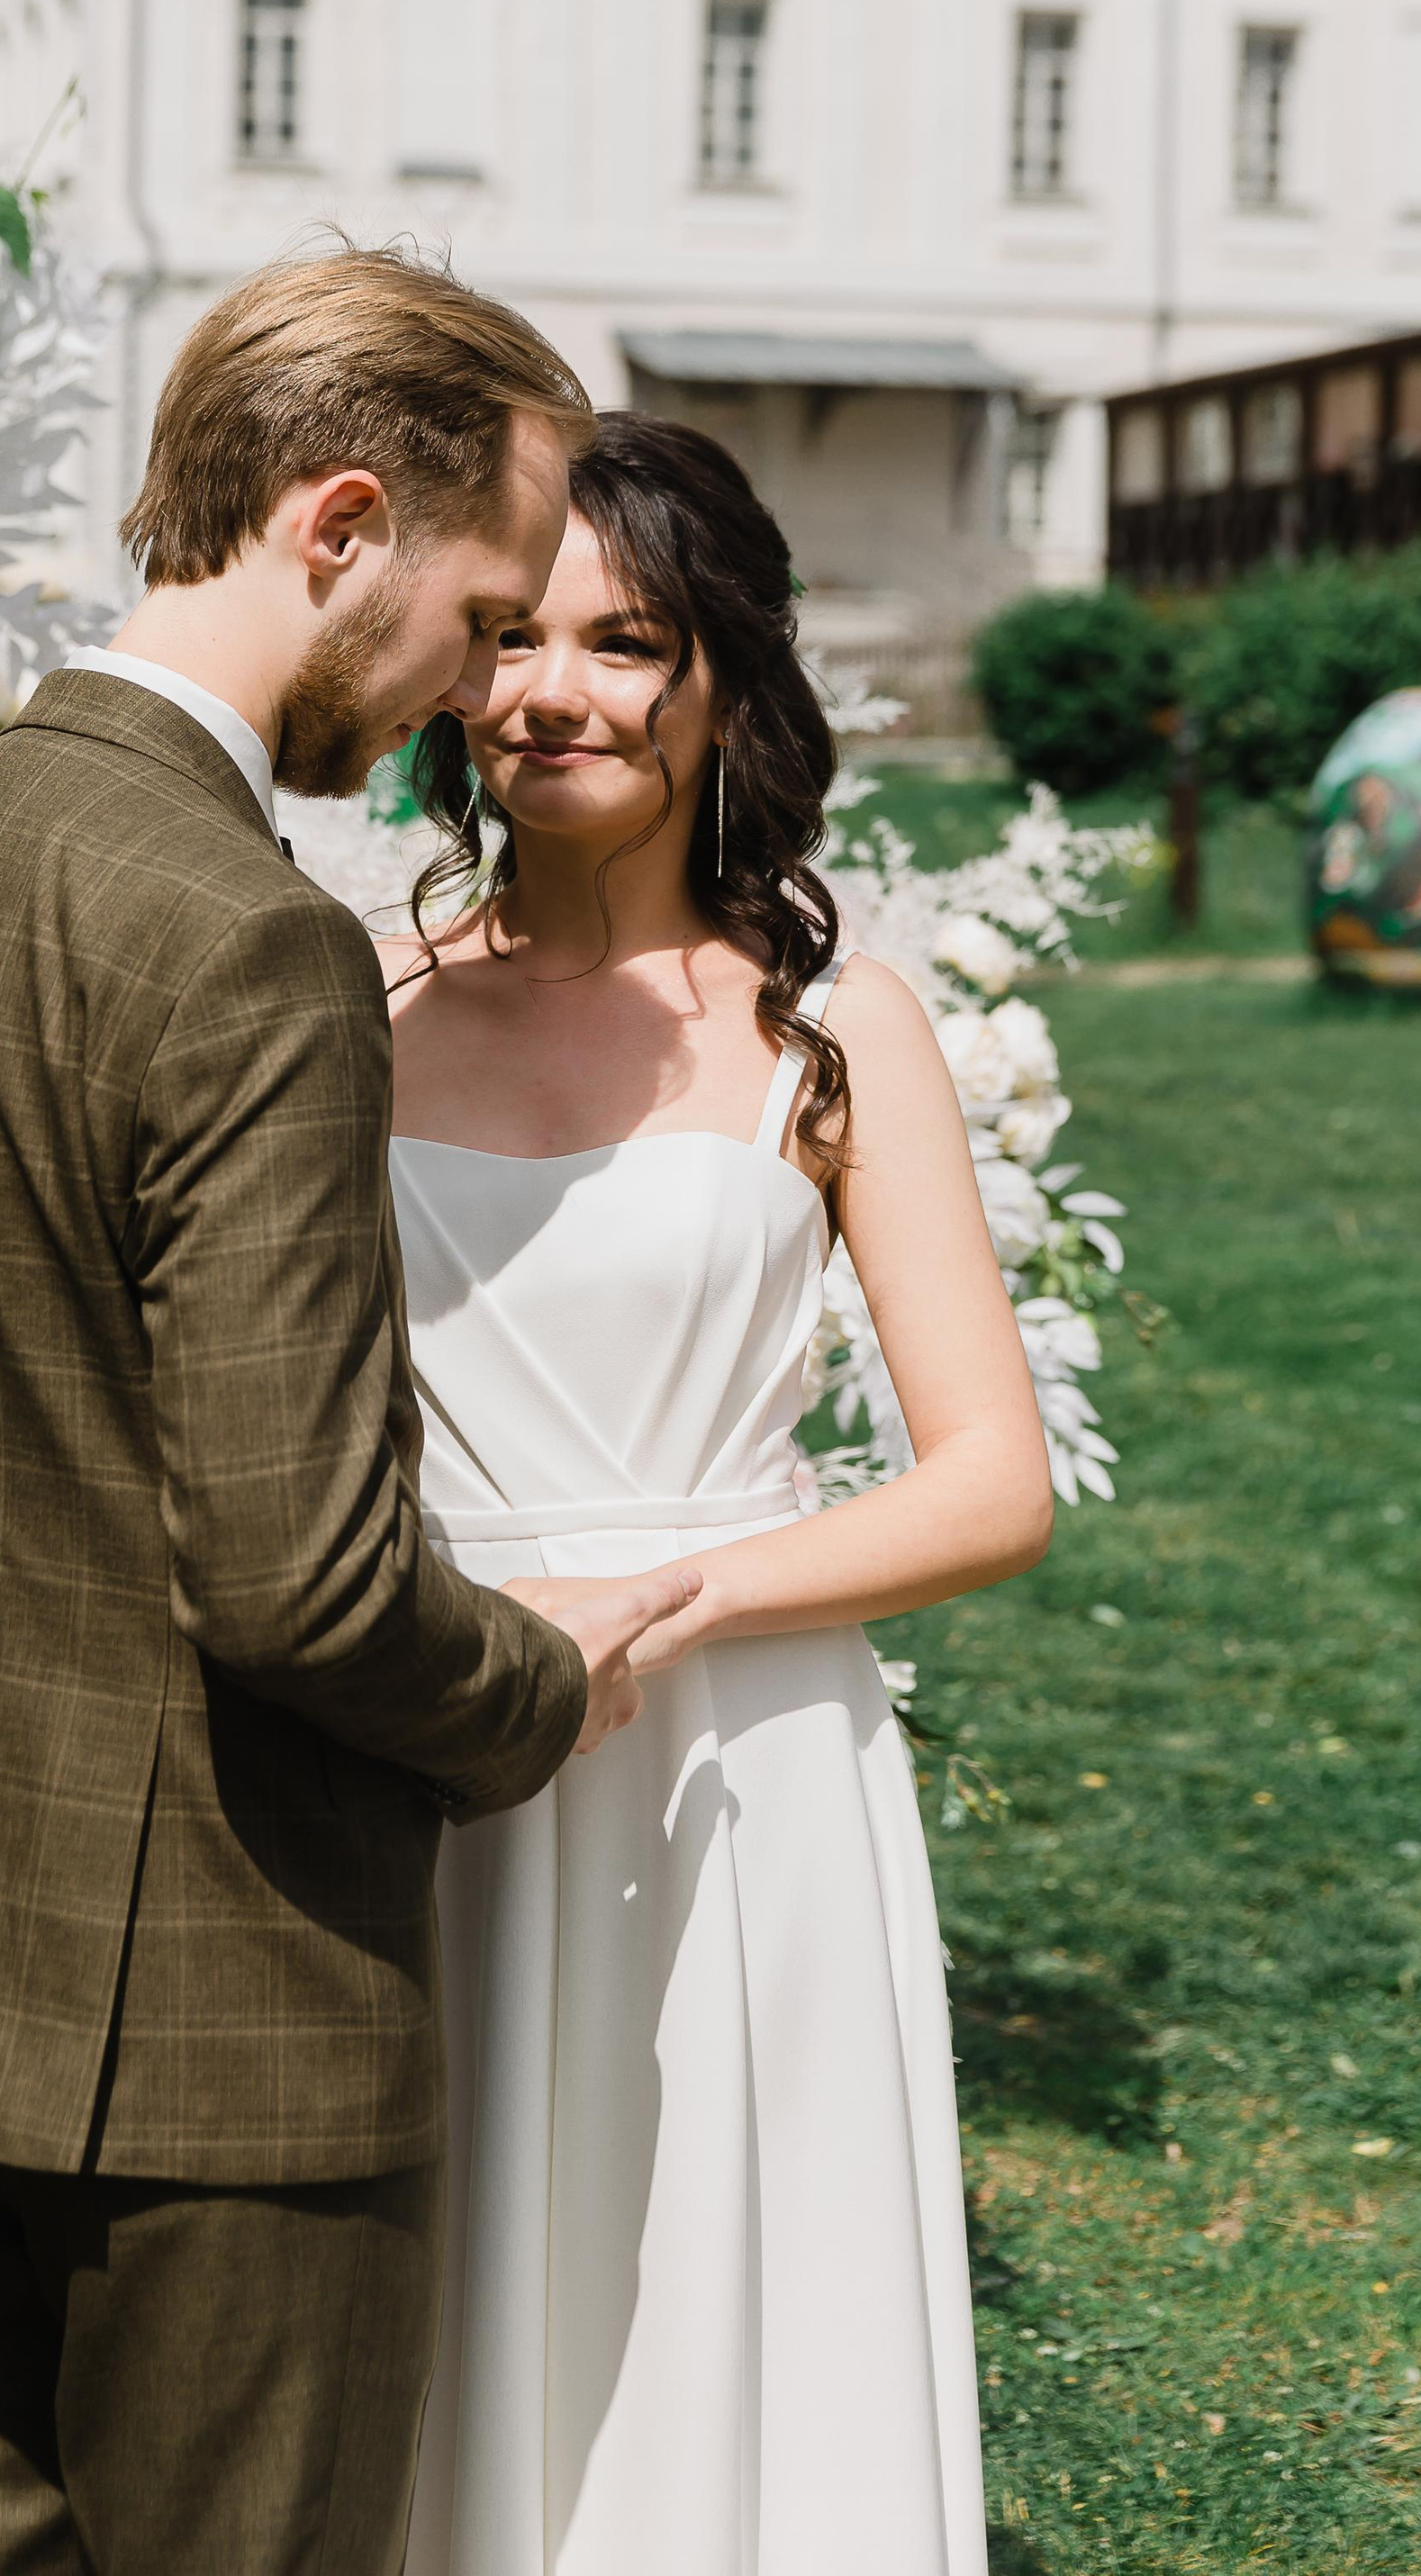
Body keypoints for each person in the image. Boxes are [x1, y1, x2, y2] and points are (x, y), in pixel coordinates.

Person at [0, 251, 701, 2576]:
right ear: (340, 523)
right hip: (234, 2029)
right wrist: (539, 1683)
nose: (483, 681)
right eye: (480, 613)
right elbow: (298, 1570)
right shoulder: (250, 939)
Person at [381, 413, 1055, 2576]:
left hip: (735, 1761)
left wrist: (653, 1608)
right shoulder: (348, 1008)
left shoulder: (829, 1026)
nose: (551, 691)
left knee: (714, 2303)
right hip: (420, 1744)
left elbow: (989, 1486)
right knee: (444, 2313)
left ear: (721, 680)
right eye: (508, 637)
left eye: (625, 638)